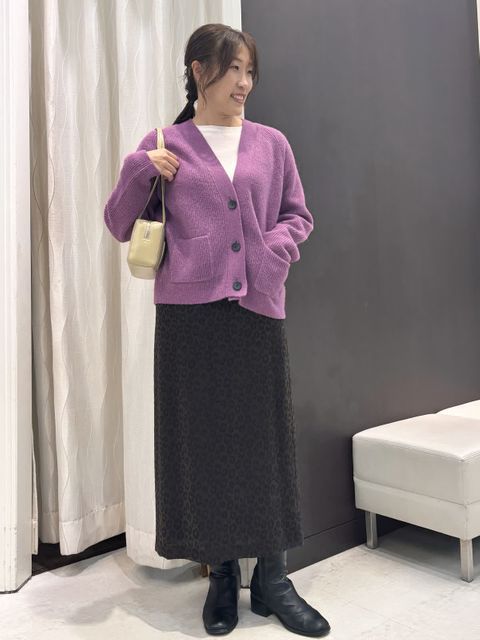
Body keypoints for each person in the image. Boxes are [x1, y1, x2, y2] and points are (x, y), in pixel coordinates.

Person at [104, 22, 330, 638]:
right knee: (204, 445)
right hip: (189, 318)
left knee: (265, 442)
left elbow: (298, 215)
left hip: (257, 309)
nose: (244, 82)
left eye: (250, 71)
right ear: (199, 71)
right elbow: (120, 224)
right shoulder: (165, 144)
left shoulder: (272, 144)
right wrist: (139, 169)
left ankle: (274, 580)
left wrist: (272, 254)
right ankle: (223, 576)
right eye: (233, 69)